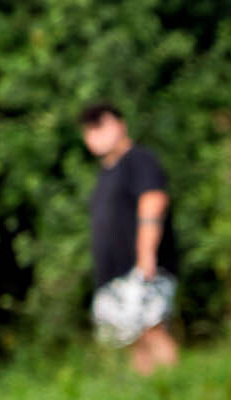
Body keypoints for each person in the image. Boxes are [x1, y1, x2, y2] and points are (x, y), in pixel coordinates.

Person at [79, 101, 179, 375]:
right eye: (90, 129)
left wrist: (146, 256)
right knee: (133, 339)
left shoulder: (139, 160)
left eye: (102, 124)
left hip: (143, 268)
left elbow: (153, 201)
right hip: (115, 275)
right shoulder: (106, 173)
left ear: (120, 124)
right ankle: (155, 396)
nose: (96, 134)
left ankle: (177, 389)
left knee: (152, 328)